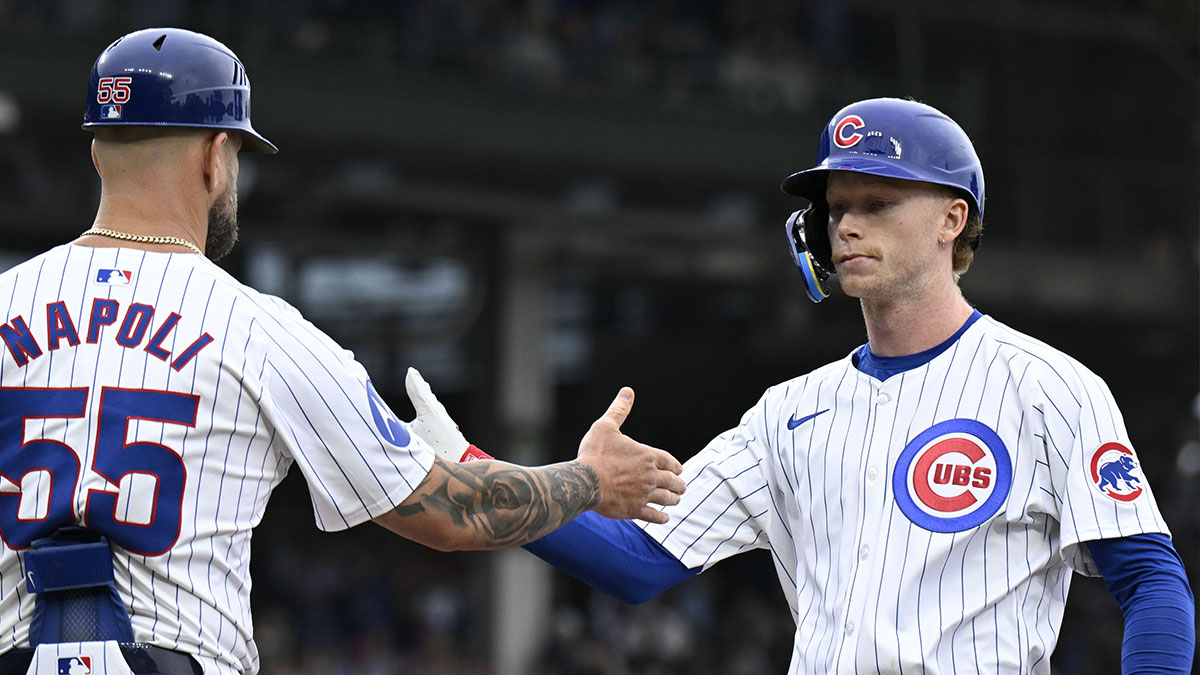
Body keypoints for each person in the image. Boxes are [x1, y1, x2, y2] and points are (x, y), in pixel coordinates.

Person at [407, 98, 1196, 673]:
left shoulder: (1047, 385)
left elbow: (1150, 580)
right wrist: (478, 467)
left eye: (879, 203)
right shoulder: (787, 413)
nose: (847, 225)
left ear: (953, 219)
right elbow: (640, 562)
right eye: (837, 208)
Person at [0, 27, 686, 675]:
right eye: (236, 155)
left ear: (97, 151)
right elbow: (457, 513)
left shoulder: (6, 302)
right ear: (213, 155)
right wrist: (590, 478)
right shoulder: (260, 329)